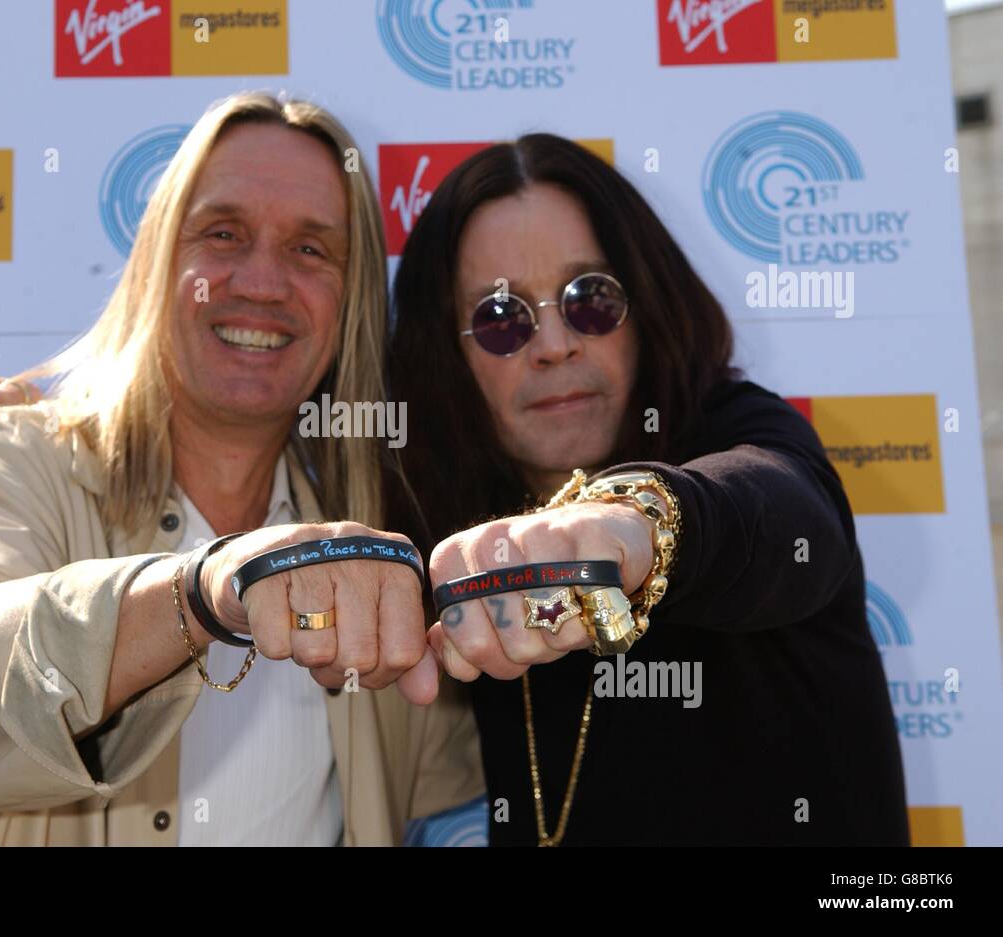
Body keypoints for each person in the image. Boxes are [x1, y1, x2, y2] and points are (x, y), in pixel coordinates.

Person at [0, 92, 483, 848]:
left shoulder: (380, 555)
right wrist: (200, 591)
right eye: (222, 232)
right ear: (154, 264)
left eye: (311, 249)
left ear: (352, 302)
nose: (262, 283)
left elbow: (491, 764)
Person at [388, 134, 909, 845]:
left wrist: (639, 520)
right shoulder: (451, 522)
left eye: (590, 299)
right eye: (501, 318)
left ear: (646, 304)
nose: (553, 344)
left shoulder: (739, 427)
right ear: (445, 357)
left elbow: (781, 515)